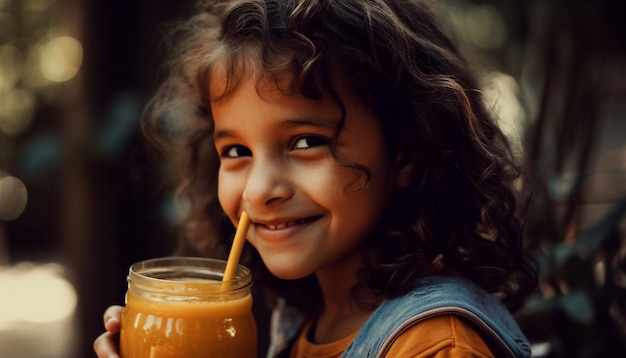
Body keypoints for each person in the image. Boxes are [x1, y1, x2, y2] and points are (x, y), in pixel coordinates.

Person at [94, 0, 538, 357]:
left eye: (306, 142)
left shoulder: (436, 345)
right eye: (236, 151)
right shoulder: (307, 324)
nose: (258, 191)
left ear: (406, 153)